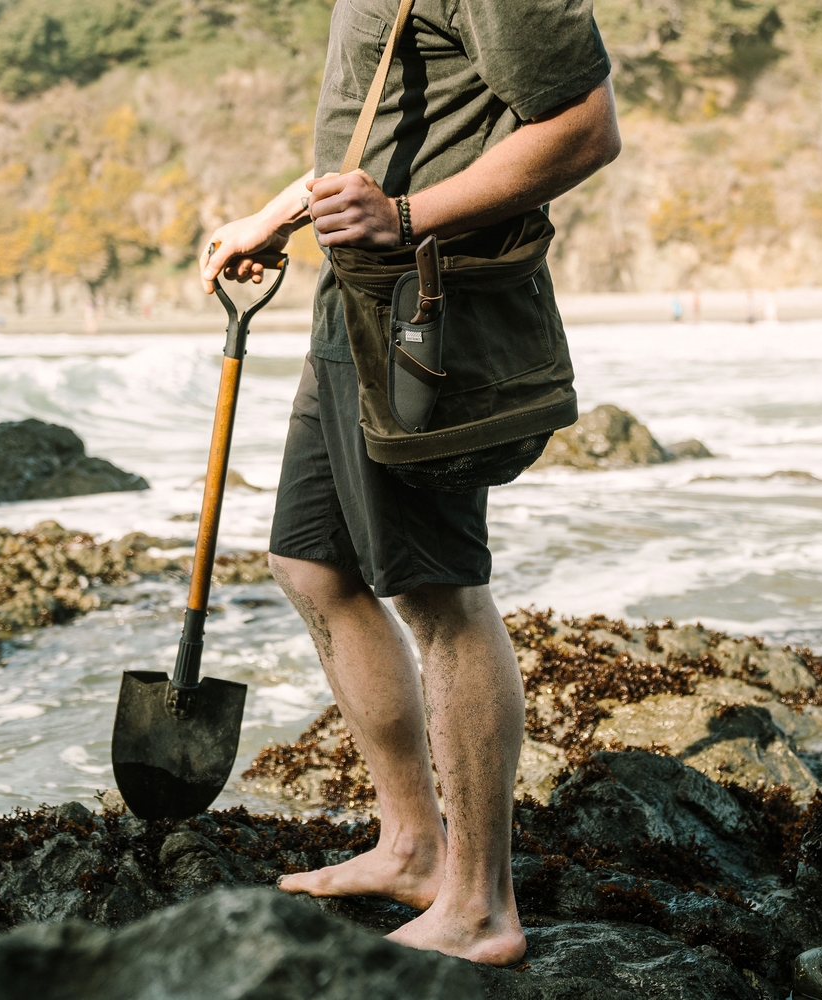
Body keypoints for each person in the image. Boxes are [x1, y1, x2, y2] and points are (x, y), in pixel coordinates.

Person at [200, 0, 621, 966]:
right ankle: (412, 847)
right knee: (312, 563)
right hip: (352, 300)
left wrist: (400, 218)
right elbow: (384, 125)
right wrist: (282, 214)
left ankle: (481, 907)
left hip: (421, 315)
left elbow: (586, 128)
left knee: (439, 593)